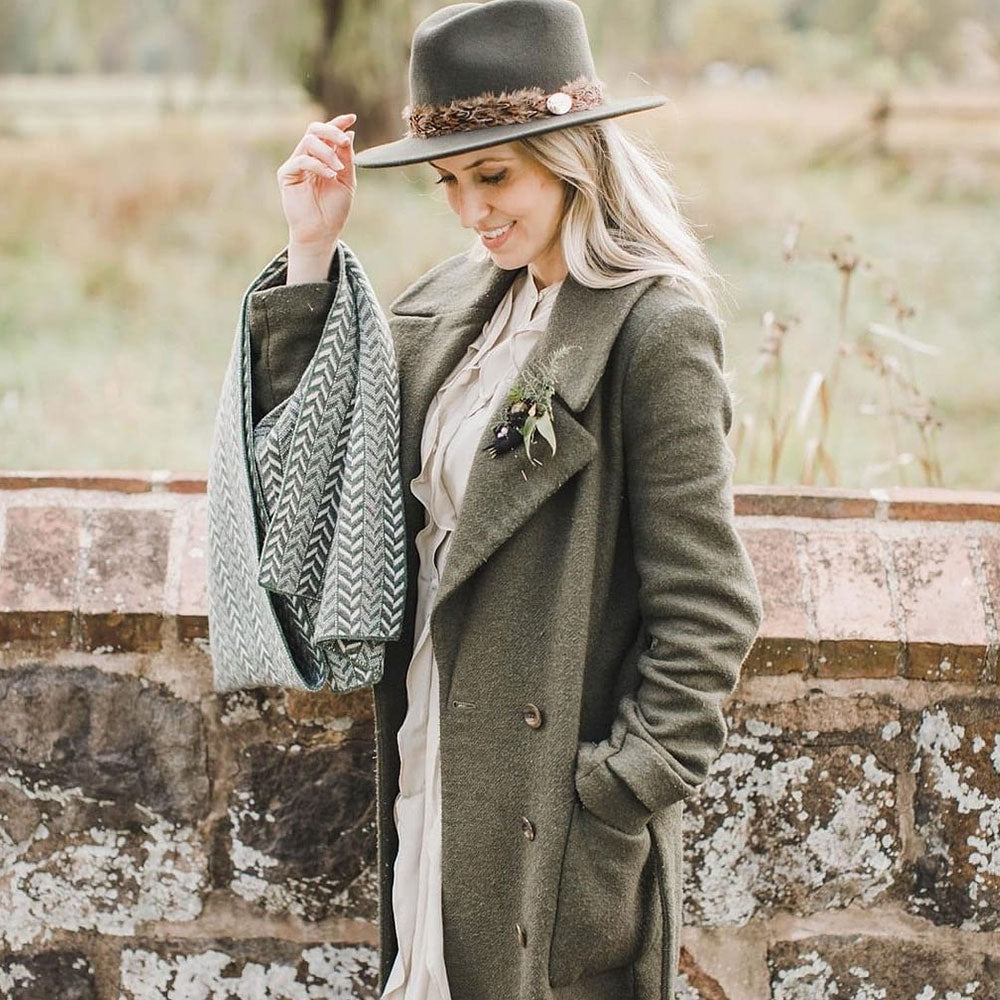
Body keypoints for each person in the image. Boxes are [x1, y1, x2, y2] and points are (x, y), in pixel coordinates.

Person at [244, 1, 763, 998]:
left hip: (551, 812)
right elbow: (319, 460)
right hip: (432, 744)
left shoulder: (653, 331)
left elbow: (708, 611)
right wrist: (310, 250)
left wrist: (615, 795)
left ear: (571, 156)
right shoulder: (453, 303)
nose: (472, 209)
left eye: (495, 175)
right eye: (449, 181)